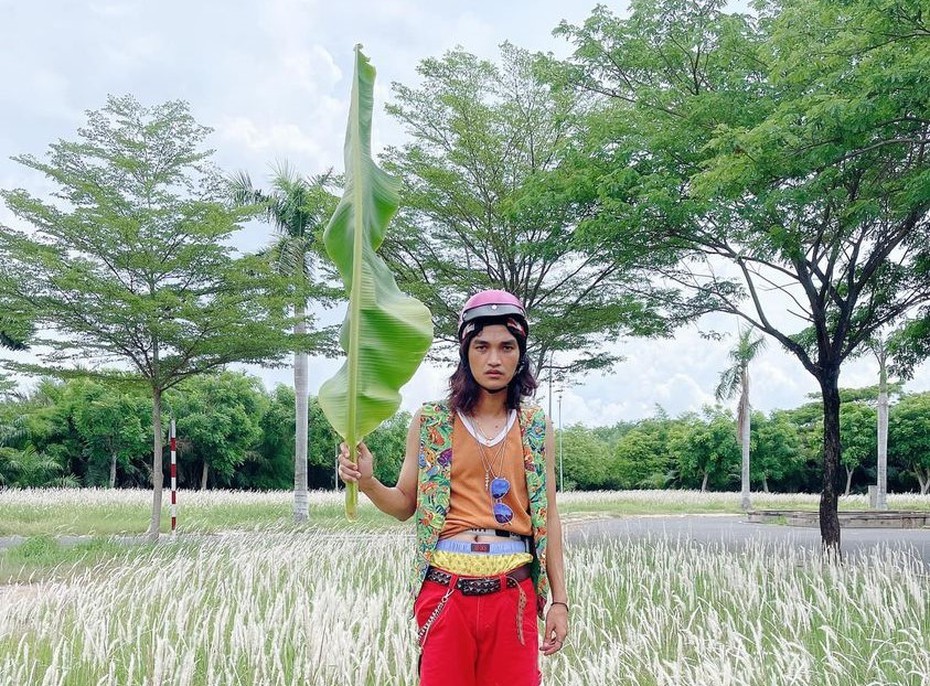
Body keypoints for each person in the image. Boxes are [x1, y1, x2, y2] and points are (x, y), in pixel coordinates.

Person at [338, 289, 569, 686]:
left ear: (520, 354)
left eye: (506, 347)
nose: (494, 359)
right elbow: (404, 505)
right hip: (445, 592)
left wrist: (560, 602)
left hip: (513, 592)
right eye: (481, 346)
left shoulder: (535, 426)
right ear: (466, 352)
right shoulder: (432, 422)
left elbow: (549, 517)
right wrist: (369, 481)